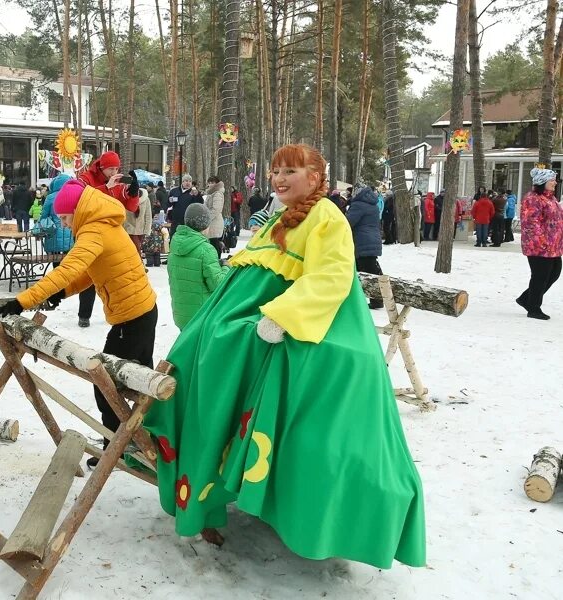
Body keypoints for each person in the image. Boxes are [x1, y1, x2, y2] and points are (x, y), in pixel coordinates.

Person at [142, 143, 425, 567]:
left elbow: (331, 277)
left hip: (282, 325)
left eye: (290, 170)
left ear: (316, 177)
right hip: (231, 322)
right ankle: (200, 478)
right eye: (275, 171)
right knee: (198, 371)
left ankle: (240, 486)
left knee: (237, 382)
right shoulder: (277, 214)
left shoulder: (327, 216)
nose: (279, 178)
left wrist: (283, 317)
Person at [0, 179, 157, 468]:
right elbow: (88, 273)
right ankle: (141, 441)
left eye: (66, 218)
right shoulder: (100, 223)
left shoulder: (94, 230)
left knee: (107, 384)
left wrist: (21, 302)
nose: (65, 224)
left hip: (132, 318)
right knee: (139, 384)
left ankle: (116, 445)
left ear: (78, 211)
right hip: (138, 313)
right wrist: (61, 293)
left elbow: (67, 270)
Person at [76, 151, 141, 327]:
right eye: (110, 169)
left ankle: (120, 312)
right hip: (90, 232)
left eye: (116, 168)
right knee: (90, 273)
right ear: (102, 167)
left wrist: (133, 193)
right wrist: (107, 188)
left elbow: (130, 207)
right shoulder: (86, 177)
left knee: (117, 274)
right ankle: (84, 314)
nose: (114, 172)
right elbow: (81, 200)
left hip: (113, 233)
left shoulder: (119, 181)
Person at [168, 203, 229, 330]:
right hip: (201, 315)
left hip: (181, 314)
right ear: (205, 225)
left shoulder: (175, 246)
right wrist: (226, 267)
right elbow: (217, 284)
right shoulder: (206, 250)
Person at [515, 167, 562, 320]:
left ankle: (525, 298)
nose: (555, 182)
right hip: (539, 246)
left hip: (553, 245)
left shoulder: (551, 198)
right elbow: (531, 224)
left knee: (554, 273)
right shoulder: (532, 199)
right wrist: (542, 242)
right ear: (542, 182)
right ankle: (534, 308)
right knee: (540, 276)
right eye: (552, 180)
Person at [346, 186, 384, 309]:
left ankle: (376, 298)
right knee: (371, 269)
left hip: (362, 241)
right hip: (372, 239)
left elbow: (347, 222)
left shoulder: (359, 205)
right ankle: (378, 297)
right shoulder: (372, 204)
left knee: (366, 272)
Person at [40, 174, 75, 258]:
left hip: (53, 233)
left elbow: (43, 215)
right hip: (70, 232)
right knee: (69, 259)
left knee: (55, 259)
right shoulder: (73, 195)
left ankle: (57, 270)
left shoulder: (50, 197)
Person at [124, 187, 152, 258]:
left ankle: (138, 266)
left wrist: (147, 230)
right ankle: (139, 265)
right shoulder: (126, 198)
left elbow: (148, 216)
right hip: (128, 229)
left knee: (136, 249)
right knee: (135, 250)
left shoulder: (146, 199)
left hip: (141, 230)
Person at [204, 176, 226, 256]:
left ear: (216, 184)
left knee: (214, 243)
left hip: (215, 222)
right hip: (211, 222)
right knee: (212, 243)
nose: (210, 185)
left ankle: (217, 261)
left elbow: (216, 209)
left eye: (212, 183)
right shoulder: (211, 193)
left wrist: (207, 217)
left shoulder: (217, 194)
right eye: (209, 183)